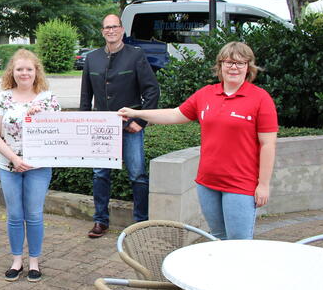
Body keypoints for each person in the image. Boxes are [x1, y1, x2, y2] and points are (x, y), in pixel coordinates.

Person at [119, 42, 277, 240]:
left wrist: (263, 185)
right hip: (208, 183)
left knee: (239, 244)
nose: (233, 67)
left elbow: (268, 144)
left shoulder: (260, 98)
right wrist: (136, 113)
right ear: (220, 66)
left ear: (248, 67)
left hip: (241, 185)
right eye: (228, 62)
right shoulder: (206, 94)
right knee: (217, 238)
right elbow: (174, 114)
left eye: (240, 63)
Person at [80, 14, 160, 238]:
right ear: (102, 31)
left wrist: (141, 121)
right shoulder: (92, 58)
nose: (111, 30)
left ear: (122, 30)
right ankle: (100, 221)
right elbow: (86, 95)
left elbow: (152, 90)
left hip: (129, 126)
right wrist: (85, 123)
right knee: (100, 175)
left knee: (137, 175)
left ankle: (140, 222)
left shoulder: (136, 55)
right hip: (101, 128)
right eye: (107, 27)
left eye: (115, 26)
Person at [0, 49, 60, 283]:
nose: (24, 73)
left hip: (38, 167)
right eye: (19, 69)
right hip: (9, 166)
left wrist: (42, 116)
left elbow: (60, 133)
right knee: (15, 215)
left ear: (36, 71)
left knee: (35, 215)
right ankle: (17, 260)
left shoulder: (48, 98)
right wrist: (14, 159)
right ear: (13, 72)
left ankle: (35, 262)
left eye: (29, 69)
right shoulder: (3, 97)